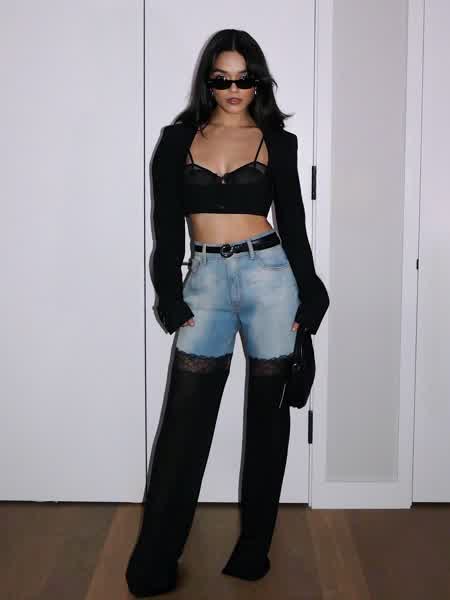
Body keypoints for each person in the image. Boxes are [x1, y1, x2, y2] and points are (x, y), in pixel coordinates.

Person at [125, 28, 329, 597]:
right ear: (207, 81)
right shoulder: (177, 140)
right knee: (184, 424)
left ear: (258, 82)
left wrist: (312, 290)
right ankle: (155, 560)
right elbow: (166, 227)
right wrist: (169, 292)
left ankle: (253, 549)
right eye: (222, 78)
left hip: (271, 279)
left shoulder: (277, 142)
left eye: (245, 78)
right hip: (206, 281)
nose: (234, 88)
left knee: (268, 419)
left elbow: (293, 221)